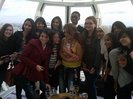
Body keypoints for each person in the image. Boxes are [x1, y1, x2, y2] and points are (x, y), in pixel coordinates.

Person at [12, 29, 51, 99]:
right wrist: (35, 65)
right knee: (30, 94)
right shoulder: (33, 43)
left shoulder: (48, 49)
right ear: (39, 36)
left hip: (35, 73)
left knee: (46, 91)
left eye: (46, 37)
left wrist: (47, 82)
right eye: (42, 36)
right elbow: (22, 57)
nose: (43, 38)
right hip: (23, 72)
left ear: (49, 38)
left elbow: (45, 66)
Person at [12, 18, 37, 99]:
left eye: (29, 25)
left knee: (26, 82)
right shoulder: (17, 34)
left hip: (27, 63)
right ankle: (18, 97)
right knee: (18, 82)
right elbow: (12, 47)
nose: (27, 27)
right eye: (26, 24)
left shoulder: (34, 37)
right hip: (17, 62)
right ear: (23, 25)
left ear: (32, 27)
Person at [109, 27, 133, 99]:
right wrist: (124, 65)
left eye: (124, 37)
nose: (121, 39)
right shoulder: (125, 50)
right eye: (120, 37)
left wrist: (125, 66)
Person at [81, 16, 101, 99]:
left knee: (90, 83)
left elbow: (99, 53)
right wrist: (83, 63)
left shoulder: (98, 35)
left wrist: (95, 67)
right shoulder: (83, 34)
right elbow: (82, 50)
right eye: (86, 23)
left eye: (90, 23)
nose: (87, 25)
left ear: (95, 24)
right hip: (86, 64)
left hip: (95, 65)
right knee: (88, 84)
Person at [59, 23, 83, 93]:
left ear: (73, 32)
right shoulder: (63, 40)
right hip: (64, 66)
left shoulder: (77, 43)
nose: (66, 34)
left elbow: (79, 57)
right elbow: (60, 52)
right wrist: (67, 58)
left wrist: (67, 53)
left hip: (74, 68)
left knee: (72, 88)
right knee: (63, 86)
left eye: (68, 32)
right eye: (65, 32)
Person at [0, 23, 14, 92]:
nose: (8, 31)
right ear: (3, 30)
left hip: (3, 68)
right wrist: (3, 61)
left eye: (10, 30)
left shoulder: (10, 42)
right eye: (7, 29)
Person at [103, 33, 116, 99]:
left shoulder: (114, 51)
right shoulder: (109, 49)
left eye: (108, 40)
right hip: (110, 74)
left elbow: (111, 65)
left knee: (109, 94)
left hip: (113, 76)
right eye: (105, 40)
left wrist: (105, 75)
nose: (105, 42)